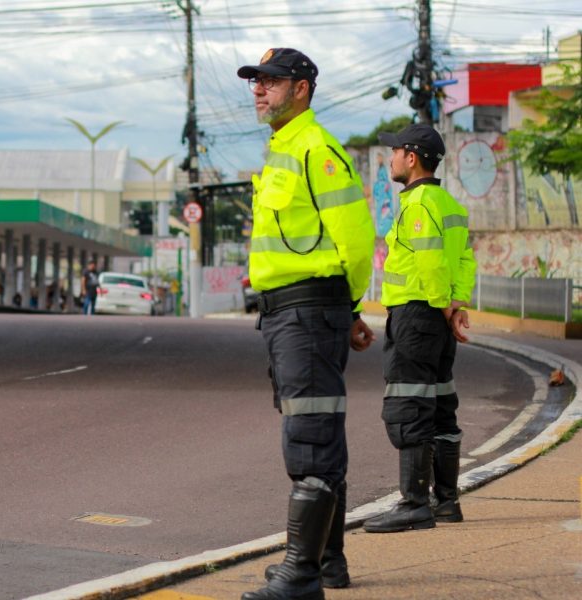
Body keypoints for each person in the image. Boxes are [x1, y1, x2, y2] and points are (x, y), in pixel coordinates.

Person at [235, 48, 376, 600]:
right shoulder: (281, 151)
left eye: (270, 81)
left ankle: (300, 576)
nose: (258, 90)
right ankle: (326, 563)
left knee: (311, 436)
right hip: (291, 312)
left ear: (302, 89)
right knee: (311, 424)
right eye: (255, 82)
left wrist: (349, 306)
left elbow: (357, 241)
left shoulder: (317, 151)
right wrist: (348, 313)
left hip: (308, 308)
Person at [362, 124, 476, 534]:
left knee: (409, 406)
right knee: (441, 405)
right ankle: (446, 503)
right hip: (437, 319)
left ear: (411, 158)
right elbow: (463, 261)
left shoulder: (419, 204)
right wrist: (456, 305)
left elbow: (430, 264)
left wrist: (445, 307)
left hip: (417, 315)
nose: (390, 158)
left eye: (394, 151)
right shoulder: (449, 204)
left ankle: (414, 504)